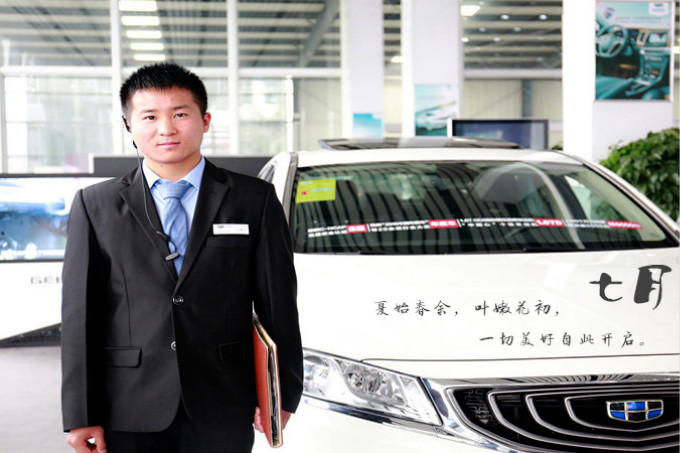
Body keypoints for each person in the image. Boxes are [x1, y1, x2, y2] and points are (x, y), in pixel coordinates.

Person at [61, 62, 303, 453]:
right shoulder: (95, 205)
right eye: (150, 117)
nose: (166, 129)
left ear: (205, 121)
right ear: (128, 126)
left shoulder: (252, 199)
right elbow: (80, 317)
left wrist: (282, 393)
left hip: (224, 399)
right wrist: (80, 412)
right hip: (128, 403)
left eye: (180, 114)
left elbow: (278, 306)